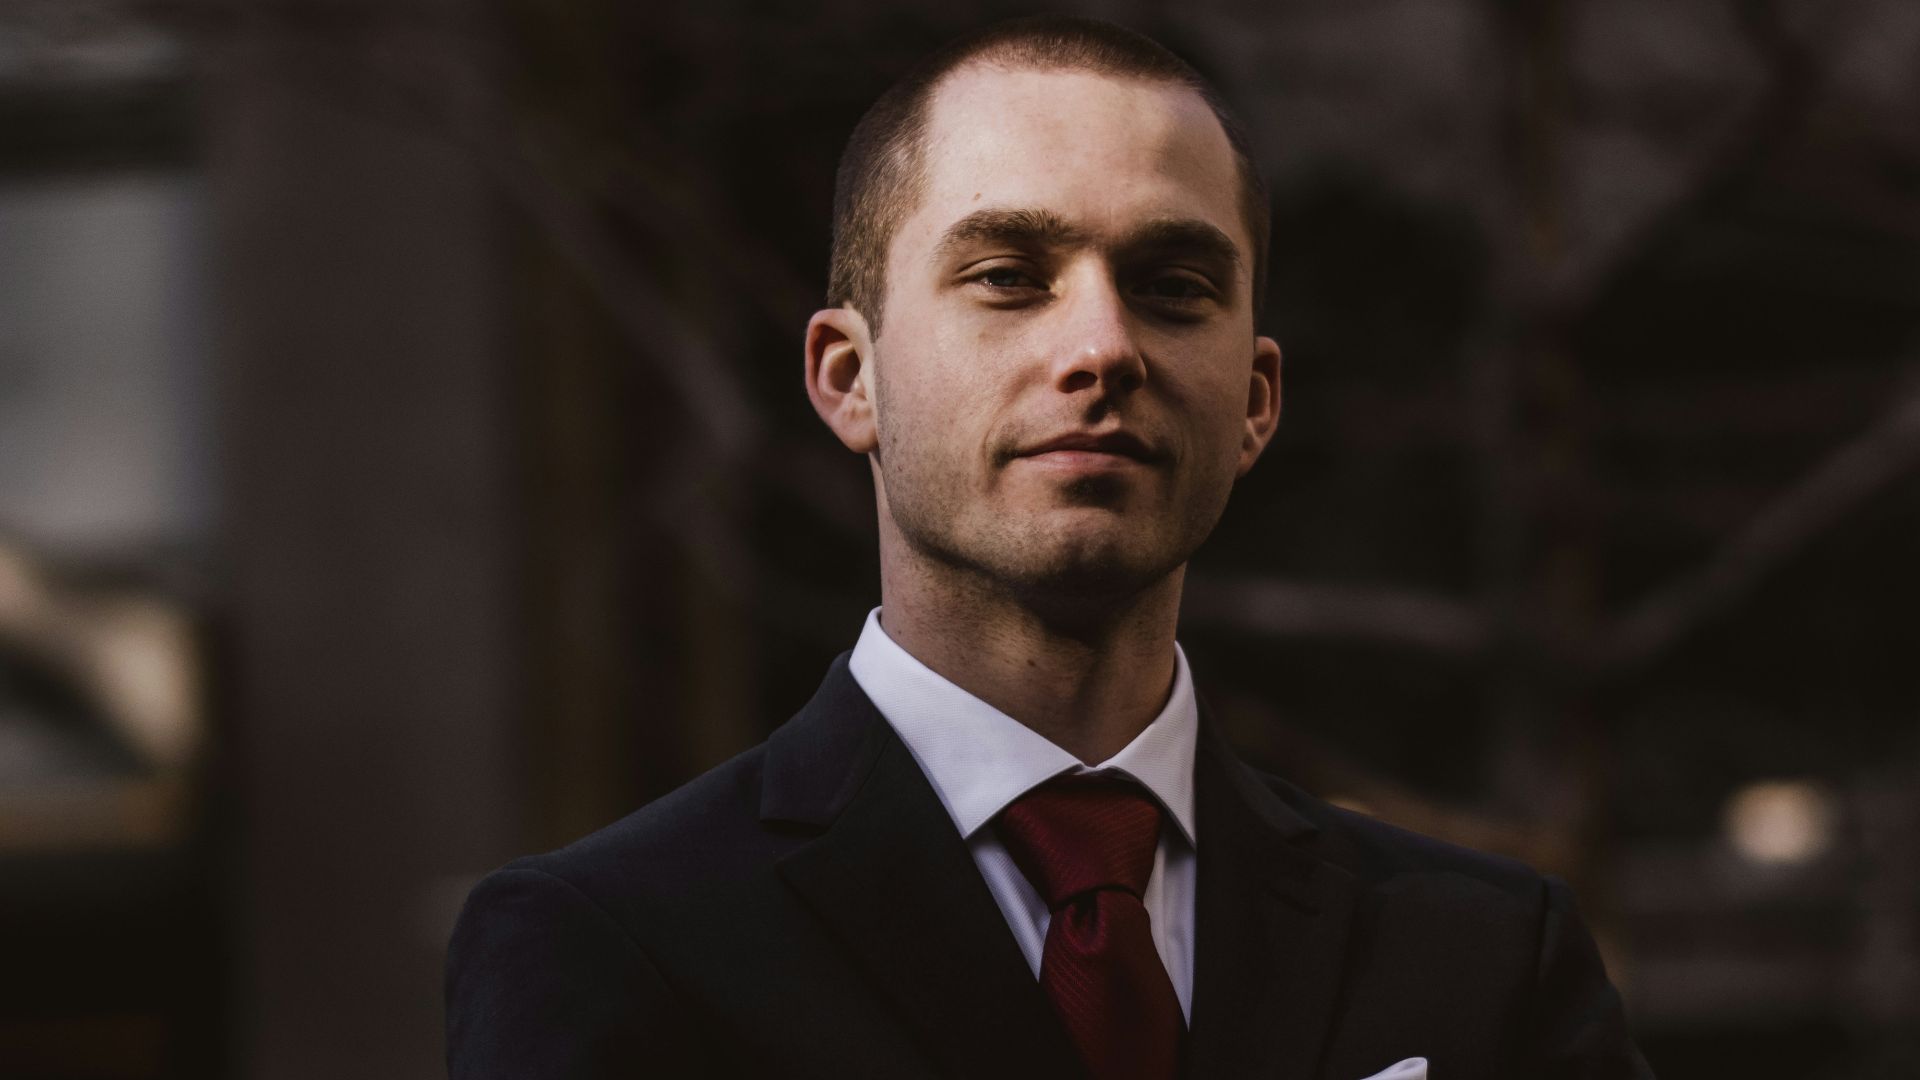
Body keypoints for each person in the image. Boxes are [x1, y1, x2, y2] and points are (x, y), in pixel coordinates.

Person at [445, 15, 1653, 1080]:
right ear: (848, 377)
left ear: (1256, 403)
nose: (1102, 346)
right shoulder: (617, 941)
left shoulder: (1484, 952)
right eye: (1009, 276)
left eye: (1173, 285)